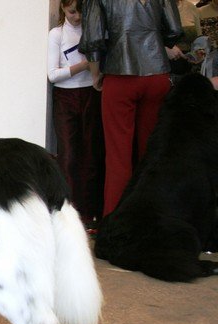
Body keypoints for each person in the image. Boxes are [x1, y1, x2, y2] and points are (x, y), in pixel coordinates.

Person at [80, 0, 183, 216]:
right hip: (157, 72)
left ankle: (115, 221)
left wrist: (96, 74)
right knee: (152, 152)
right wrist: (155, 40)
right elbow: (175, 30)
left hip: (119, 72)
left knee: (118, 155)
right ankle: (154, 219)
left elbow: (93, 39)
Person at [47, 0, 104, 231]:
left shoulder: (93, 31)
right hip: (65, 98)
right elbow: (52, 75)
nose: (77, 17)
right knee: (68, 157)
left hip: (91, 95)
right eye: (72, 12)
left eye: (81, 12)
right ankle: (68, 214)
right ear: (62, 8)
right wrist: (85, 65)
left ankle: (90, 213)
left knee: (92, 154)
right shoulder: (57, 34)